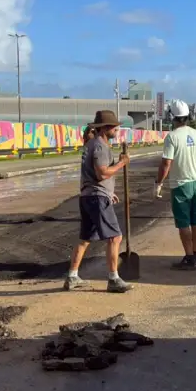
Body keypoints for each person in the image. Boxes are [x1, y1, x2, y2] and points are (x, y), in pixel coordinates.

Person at [64, 110, 133, 293]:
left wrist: (109, 192)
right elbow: (101, 173)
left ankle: (72, 276)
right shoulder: (100, 146)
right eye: (115, 128)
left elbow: (95, 176)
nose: (117, 131)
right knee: (115, 236)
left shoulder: (91, 144)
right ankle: (113, 279)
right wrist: (121, 163)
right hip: (96, 198)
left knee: (85, 238)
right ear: (106, 128)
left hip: (89, 196)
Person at [155, 99, 196, 271]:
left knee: (183, 223)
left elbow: (166, 163)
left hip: (180, 185)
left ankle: (189, 257)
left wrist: (158, 183)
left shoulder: (172, 137)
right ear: (187, 117)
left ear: (173, 117)